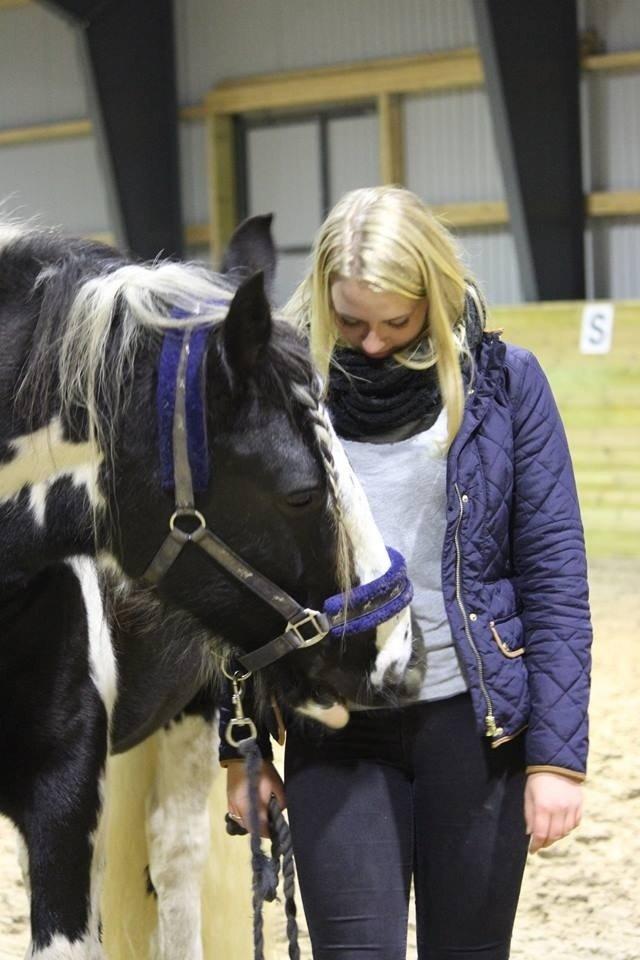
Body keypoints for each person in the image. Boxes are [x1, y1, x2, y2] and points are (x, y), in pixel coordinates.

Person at [222, 185, 592, 960]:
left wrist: (558, 757)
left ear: (435, 292)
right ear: (322, 295)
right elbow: (240, 583)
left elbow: (554, 576)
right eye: (352, 321)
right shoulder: (282, 395)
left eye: (398, 320)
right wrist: (242, 748)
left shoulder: (504, 385)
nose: (376, 342)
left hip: (474, 729)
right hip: (337, 724)